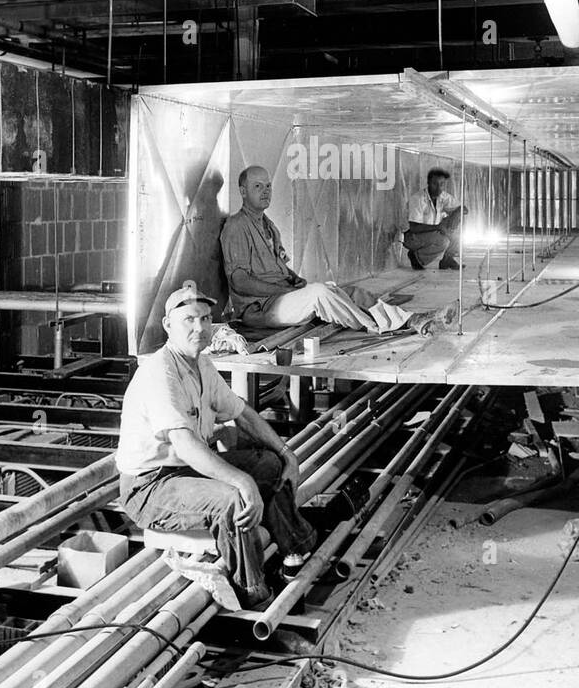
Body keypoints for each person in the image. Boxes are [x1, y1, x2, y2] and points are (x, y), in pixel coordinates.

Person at [116, 279, 316, 609]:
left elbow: (242, 414)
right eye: (189, 320)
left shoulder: (201, 364)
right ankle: (254, 594)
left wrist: (286, 453)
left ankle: (296, 549)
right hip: (150, 488)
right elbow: (184, 444)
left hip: (185, 472)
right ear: (168, 326)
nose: (200, 327)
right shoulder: (159, 373)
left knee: (269, 465)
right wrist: (241, 479)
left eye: (206, 319)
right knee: (231, 499)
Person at [220, 165, 381, 330]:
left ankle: (401, 319)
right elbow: (240, 282)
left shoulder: (269, 226)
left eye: (268, 186)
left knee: (346, 291)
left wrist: (295, 278)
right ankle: (373, 326)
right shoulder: (236, 226)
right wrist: (282, 289)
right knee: (320, 293)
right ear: (243, 192)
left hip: (283, 296)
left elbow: (281, 267)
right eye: (257, 186)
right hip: (263, 307)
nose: (266, 191)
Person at [403, 166, 465, 270]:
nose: (438, 188)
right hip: (411, 236)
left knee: (457, 224)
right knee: (444, 241)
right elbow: (414, 228)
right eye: (434, 184)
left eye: (441, 184)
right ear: (428, 183)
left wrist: (457, 214)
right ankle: (416, 257)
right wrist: (438, 227)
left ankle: (447, 259)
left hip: (432, 232)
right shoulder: (418, 199)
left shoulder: (443, 196)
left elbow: (464, 208)